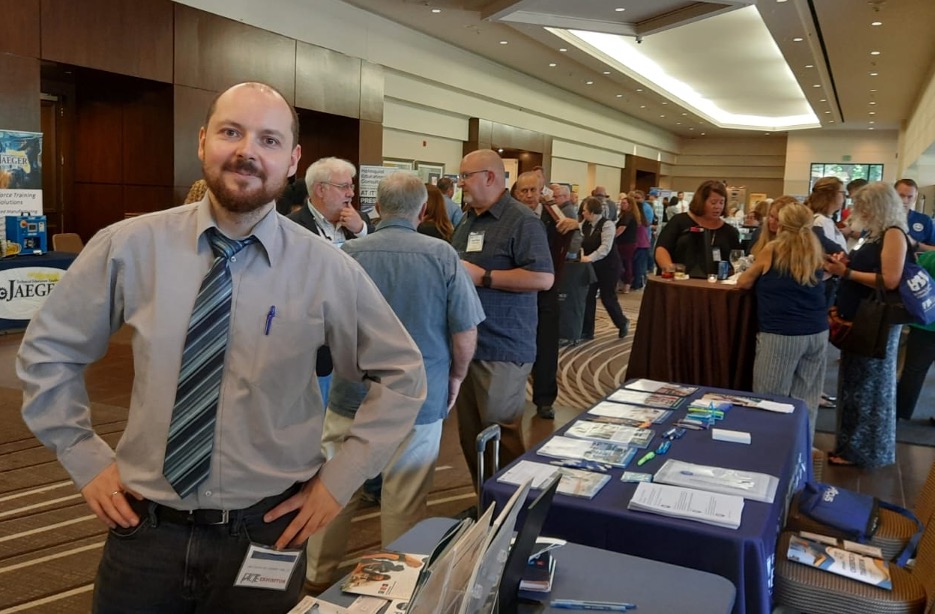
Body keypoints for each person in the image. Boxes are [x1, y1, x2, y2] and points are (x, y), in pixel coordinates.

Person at [17, 82, 427, 612]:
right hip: (144, 529)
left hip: (268, 532)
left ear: (293, 160)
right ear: (203, 140)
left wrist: (340, 481)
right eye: (231, 132)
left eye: (269, 140)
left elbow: (403, 374)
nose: (247, 151)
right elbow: (47, 352)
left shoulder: (329, 269)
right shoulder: (128, 247)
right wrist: (83, 455)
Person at [305, 172, 484, 591]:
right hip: (420, 396)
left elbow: (321, 326)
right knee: (404, 496)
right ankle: (394, 586)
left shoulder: (347, 252)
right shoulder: (442, 256)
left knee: (335, 487)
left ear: (378, 209)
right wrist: (456, 377)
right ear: (423, 210)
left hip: (352, 392)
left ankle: (315, 577)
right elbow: (464, 331)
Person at [451, 149, 553, 484]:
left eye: (466, 176)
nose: (461, 183)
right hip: (468, 343)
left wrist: (484, 276)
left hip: (504, 346)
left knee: (500, 432)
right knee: (471, 435)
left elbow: (543, 278)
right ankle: (485, 505)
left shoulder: (522, 221)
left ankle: (513, 510)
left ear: (490, 177)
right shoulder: (468, 220)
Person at [823, 182, 909, 468]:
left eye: (861, 206)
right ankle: (850, 447)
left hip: (876, 322)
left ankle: (864, 451)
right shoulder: (875, 234)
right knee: (854, 385)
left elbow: (890, 280)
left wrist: (845, 272)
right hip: (860, 318)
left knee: (870, 389)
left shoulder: (893, 234)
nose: (857, 211)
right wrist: (846, 264)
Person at [737, 203, 828, 439]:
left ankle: (769, 448)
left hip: (782, 332)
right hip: (817, 331)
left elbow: (744, 282)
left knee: (771, 398)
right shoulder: (814, 248)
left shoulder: (773, 249)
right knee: (806, 399)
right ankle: (800, 449)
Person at [514, 171, 580, 419]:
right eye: (524, 191)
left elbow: (575, 245)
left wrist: (577, 227)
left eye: (534, 190)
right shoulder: (511, 219)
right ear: (516, 193)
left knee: (547, 346)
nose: (529, 195)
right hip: (516, 291)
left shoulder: (556, 218)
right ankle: (512, 397)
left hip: (547, 292)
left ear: (542, 192)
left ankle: (544, 400)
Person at [654, 180, 742, 276]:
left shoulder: (729, 232)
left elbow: (736, 260)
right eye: (713, 202)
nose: (718, 207)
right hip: (679, 282)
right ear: (701, 201)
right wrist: (669, 268)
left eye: (721, 202)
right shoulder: (679, 221)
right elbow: (661, 249)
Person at [288, 156, 370, 247]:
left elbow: (377, 254)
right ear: (321, 190)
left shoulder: (361, 220)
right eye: (344, 186)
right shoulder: (290, 225)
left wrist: (360, 230)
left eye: (351, 187)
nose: (351, 194)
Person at [580, 197, 630, 340]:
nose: (582, 213)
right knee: (588, 297)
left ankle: (622, 323)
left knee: (608, 298)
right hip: (592, 267)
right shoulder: (585, 224)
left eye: (584, 210)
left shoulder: (607, 225)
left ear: (591, 212)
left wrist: (589, 258)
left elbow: (605, 248)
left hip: (609, 267)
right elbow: (580, 240)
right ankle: (587, 331)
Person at [896, 248, 935, 425]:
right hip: (925, 325)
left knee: (913, 371)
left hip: (925, 323)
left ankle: (901, 412)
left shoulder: (928, 259)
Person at [807, 176, 849, 307]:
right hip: (826, 280)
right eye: (842, 193)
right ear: (831, 195)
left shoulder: (825, 220)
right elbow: (826, 246)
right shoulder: (819, 221)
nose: (844, 198)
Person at [896, 178, 935, 252]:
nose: (905, 201)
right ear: (893, 195)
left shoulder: (925, 220)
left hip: (915, 262)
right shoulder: (881, 219)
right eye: (901, 195)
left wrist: (916, 244)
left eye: (910, 197)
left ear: (915, 198)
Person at [615, 192, 640, 293]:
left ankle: (626, 284)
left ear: (630, 204)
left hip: (625, 243)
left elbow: (622, 228)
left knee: (624, 263)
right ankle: (626, 285)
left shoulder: (628, 215)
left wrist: (613, 236)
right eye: (622, 203)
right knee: (627, 263)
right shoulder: (630, 215)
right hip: (629, 242)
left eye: (624, 203)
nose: (622, 205)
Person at [630, 190, 653, 289]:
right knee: (637, 264)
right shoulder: (634, 211)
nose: (635, 200)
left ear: (643, 198)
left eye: (638, 198)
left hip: (642, 242)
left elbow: (647, 223)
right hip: (639, 242)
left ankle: (639, 282)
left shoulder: (645, 208)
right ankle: (637, 281)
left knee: (640, 265)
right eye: (634, 197)